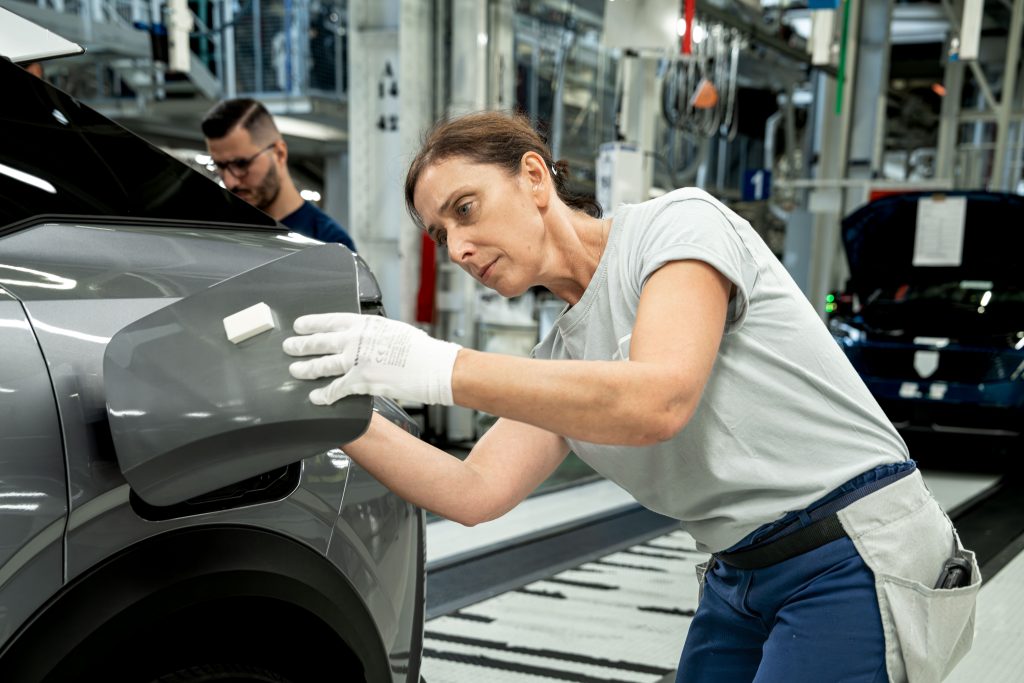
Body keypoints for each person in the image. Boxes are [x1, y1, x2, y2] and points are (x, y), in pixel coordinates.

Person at [281, 111, 979, 682]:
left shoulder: (677, 226)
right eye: (441, 234)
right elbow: (472, 488)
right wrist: (329, 407)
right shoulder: (561, 358)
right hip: (739, 575)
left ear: (532, 176)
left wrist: (434, 366)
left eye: (466, 209)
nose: (459, 247)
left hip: (849, 548)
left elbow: (658, 398)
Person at [201, 98, 356, 251]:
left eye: (241, 164)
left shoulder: (330, 244)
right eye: (220, 166)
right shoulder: (220, 234)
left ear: (279, 153)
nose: (230, 182)